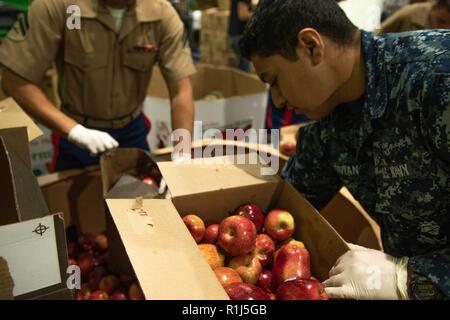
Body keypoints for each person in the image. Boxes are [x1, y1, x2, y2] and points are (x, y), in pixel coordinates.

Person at [240, 0, 450, 300]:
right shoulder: (328, 123)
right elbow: (287, 205)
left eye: (274, 81)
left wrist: (412, 278)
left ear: (311, 47)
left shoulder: (436, 80)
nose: (277, 102)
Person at [0, 0, 196, 171]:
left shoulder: (160, 14)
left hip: (132, 132)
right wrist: (75, 131)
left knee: (140, 206)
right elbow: (14, 78)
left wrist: (182, 154)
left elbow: (180, 89)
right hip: (76, 132)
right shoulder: (62, 7)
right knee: (75, 209)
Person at [380, 0, 450, 33]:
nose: (446, 27)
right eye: (441, 21)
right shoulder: (409, 13)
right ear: (434, 8)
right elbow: (378, 34)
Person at [229, 0, 253, 72]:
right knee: (244, 71)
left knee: (240, 68)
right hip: (240, 37)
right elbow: (243, 15)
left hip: (234, 36)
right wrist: (260, 15)